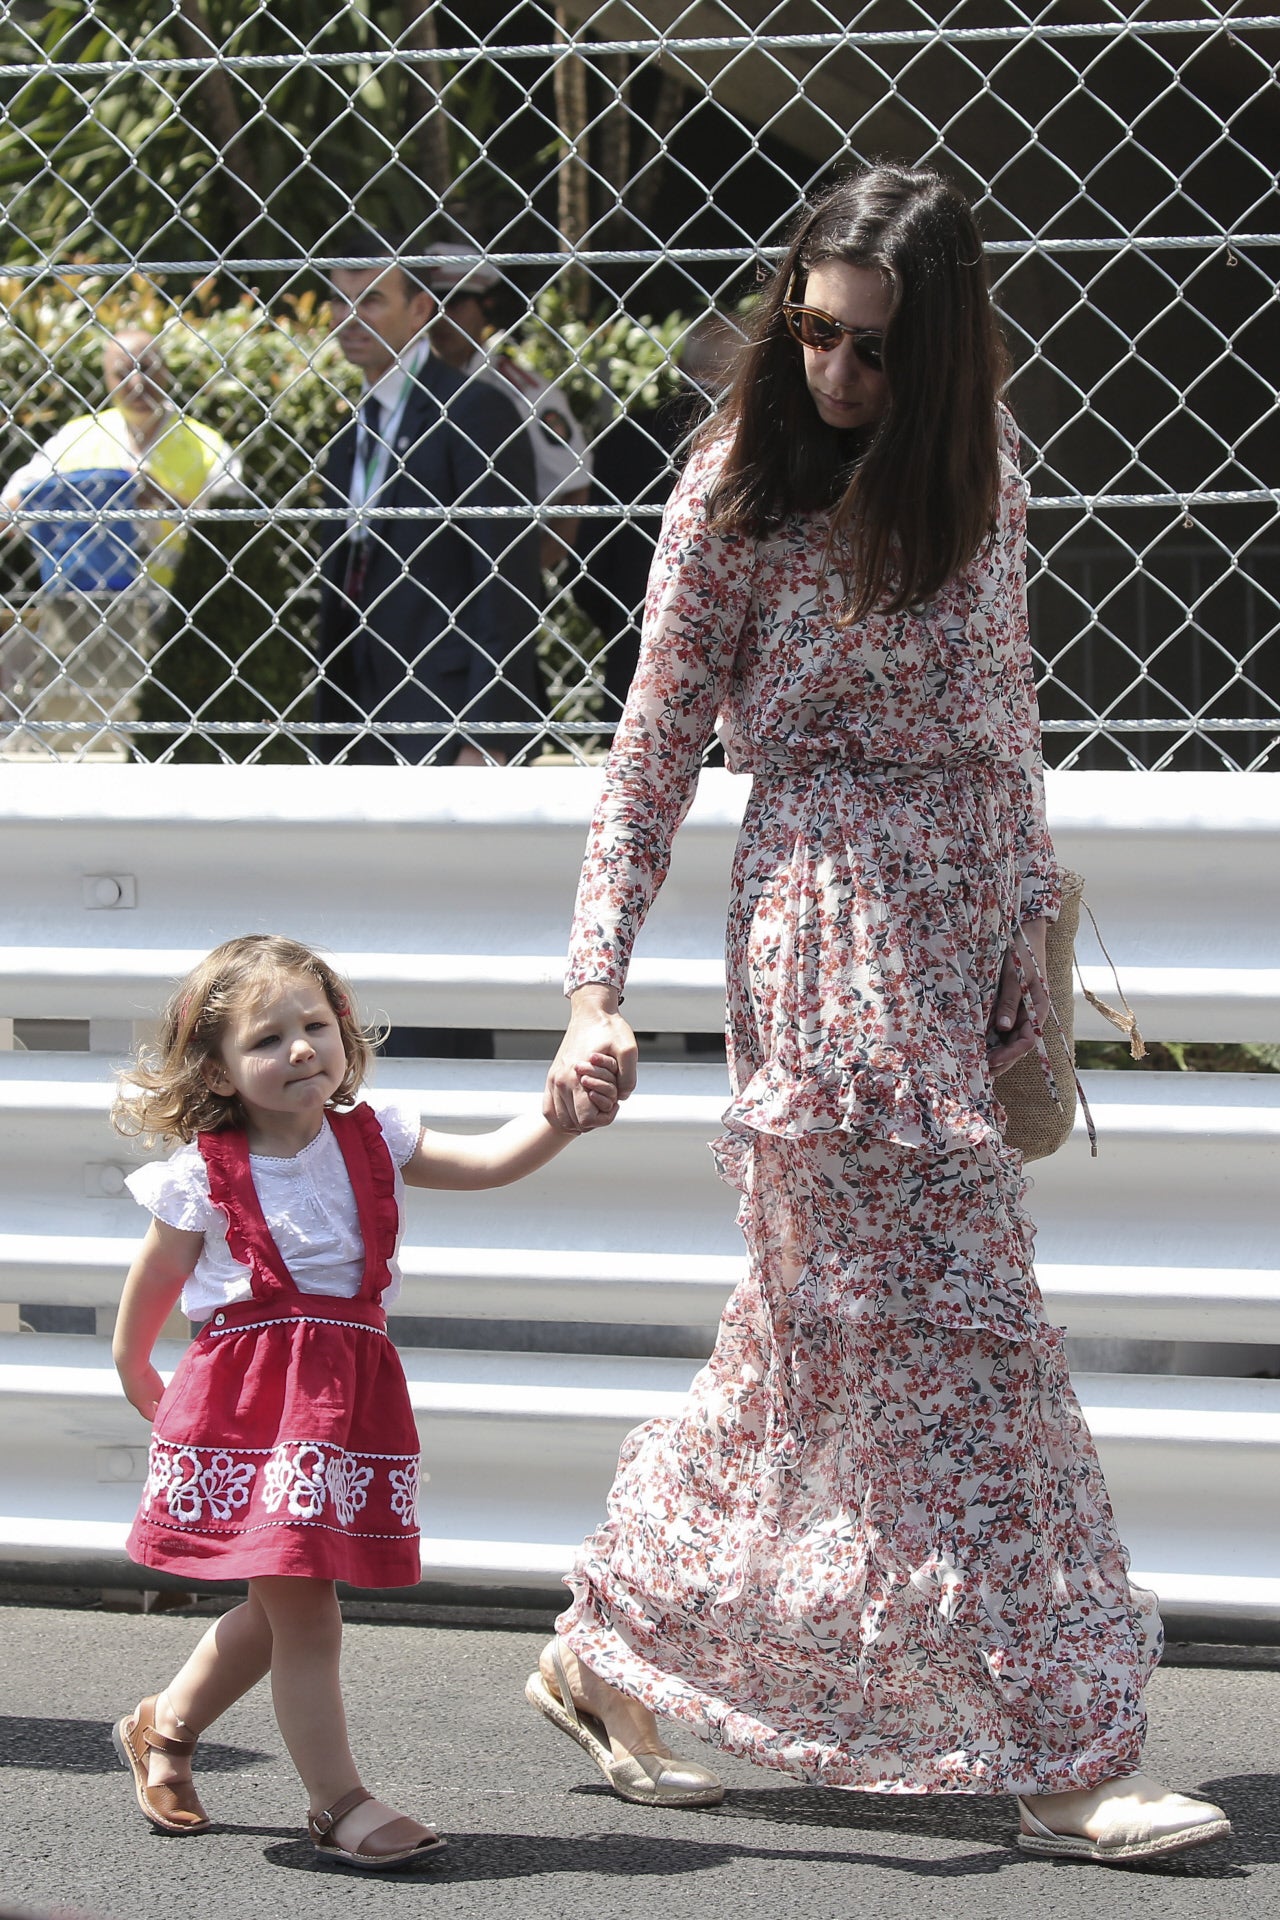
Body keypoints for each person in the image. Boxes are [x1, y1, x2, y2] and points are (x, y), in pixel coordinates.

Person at [528, 166, 1232, 1865]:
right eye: (815, 332)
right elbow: (650, 752)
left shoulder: (984, 476)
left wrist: (1020, 963)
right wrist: (590, 985)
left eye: (873, 348)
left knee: (813, 1347)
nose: (836, 372)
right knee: (972, 1346)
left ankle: (602, 1645)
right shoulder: (734, 490)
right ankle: (1069, 1759)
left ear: (943, 353)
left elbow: (1007, 731)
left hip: (949, 934)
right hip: (819, 930)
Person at [108, 934, 616, 1867]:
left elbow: (494, 1161)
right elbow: (136, 1333)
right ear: (216, 1073)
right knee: (308, 1611)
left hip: (344, 1405)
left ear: (344, 1034)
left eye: (315, 1025)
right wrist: (174, 1425)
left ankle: (164, 1725)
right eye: (267, 1039)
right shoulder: (199, 1178)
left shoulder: (373, 1136)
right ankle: (339, 1801)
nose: (301, 1049)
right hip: (247, 1419)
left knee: (281, 1607)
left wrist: (566, 1117)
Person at [316, 229, 544, 766]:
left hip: (448, 708)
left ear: (420, 309)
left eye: (370, 299)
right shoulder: (354, 430)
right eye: (338, 299)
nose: (349, 317)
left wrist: (488, 732)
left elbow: (505, 576)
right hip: (357, 708)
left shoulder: (474, 412)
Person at [1, 329, 239, 755]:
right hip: (85, 614)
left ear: (165, 372)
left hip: (180, 609)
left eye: (146, 369)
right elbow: (14, 501)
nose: (136, 383)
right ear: (107, 381)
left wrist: (165, 501)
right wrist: (33, 503)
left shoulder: (204, 445)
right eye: (122, 372)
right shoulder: (79, 438)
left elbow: (240, 525)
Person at [573, 309, 745, 717]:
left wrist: (629, 624)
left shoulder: (626, 438)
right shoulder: (773, 440)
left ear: (682, 366)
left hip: (640, 670)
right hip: (746, 683)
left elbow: (588, 569)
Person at [424, 243, 593, 575]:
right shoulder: (406, 387)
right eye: (433, 305)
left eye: (455, 303)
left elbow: (573, 488)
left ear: (485, 308)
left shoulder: (521, 393)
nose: (441, 317)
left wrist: (520, 576)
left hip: (496, 573)